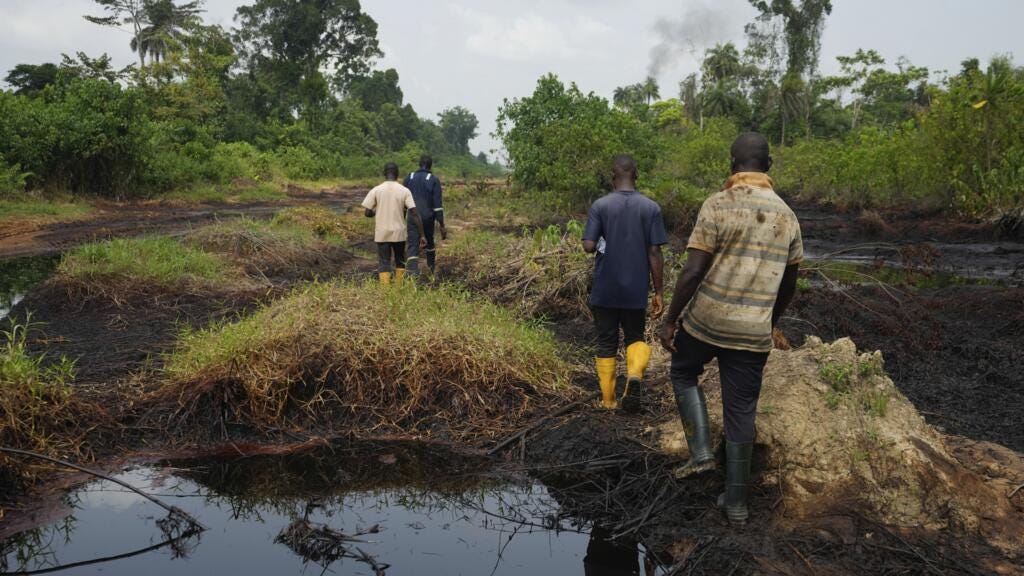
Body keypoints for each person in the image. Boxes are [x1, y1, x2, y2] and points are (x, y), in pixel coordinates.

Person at [658, 132, 802, 527]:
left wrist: (671, 319)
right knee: (741, 410)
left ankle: (701, 451)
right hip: (752, 331)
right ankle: (736, 503)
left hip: (706, 321)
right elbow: (789, 285)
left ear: (732, 165)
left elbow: (692, 271)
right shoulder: (788, 216)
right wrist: (769, 323)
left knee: (684, 371)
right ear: (768, 166)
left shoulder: (717, 205)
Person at [582, 155, 667, 413]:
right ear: (636, 175)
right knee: (635, 337)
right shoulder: (651, 208)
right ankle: (634, 377)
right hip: (635, 290)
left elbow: (588, 246)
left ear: (613, 176)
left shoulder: (601, 205)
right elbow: (655, 253)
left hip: (605, 289)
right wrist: (659, 292)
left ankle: (608, 401)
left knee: (606, 341)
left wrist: (603, 242)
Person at [362, 162, 426, 285]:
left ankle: (385, 289)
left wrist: (377, 212)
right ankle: (398, 288)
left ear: (384, 174)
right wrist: (422, 235)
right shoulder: (404, 191)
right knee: (400, 260)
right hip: (399, 233)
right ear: (397, 174)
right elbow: (414, 213)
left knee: (384, 261)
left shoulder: (376, 190)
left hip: (382, 232)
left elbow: (367, 212)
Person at [404, 155, 448, 276]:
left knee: (412, 244)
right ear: (430, 165)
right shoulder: (433, 179)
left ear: (419, 164)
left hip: (412, 217)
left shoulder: (409, 177)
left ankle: (412, 273)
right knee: (429, 242)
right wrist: (442, 225)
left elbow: (402, 200)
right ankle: (431, 270)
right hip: (428, 218)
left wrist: (402, 217)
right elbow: (438, 205)